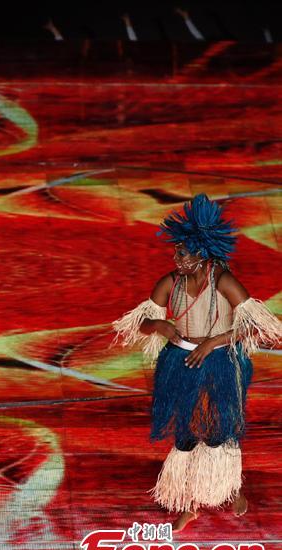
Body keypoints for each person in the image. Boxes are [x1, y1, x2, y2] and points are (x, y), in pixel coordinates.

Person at [113, 194, 282, 531]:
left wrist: (213, 343)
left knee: (221, 427)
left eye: (183, 253)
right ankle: (189, 502)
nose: (176, 258)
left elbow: (255, 326)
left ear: (202, 255)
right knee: (188, 430)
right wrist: (160, 325)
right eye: (176, 252)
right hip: (182, 361)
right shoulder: (170, 283)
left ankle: (230, 489)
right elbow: (140, 324)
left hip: (220, 360)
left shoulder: (223, 281)